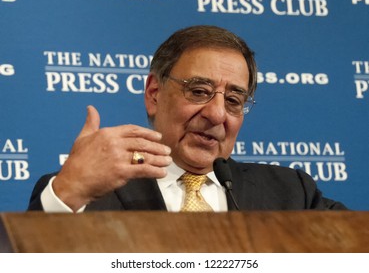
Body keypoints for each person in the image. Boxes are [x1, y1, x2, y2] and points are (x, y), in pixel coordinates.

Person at [28, 25, 346, 212]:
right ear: (154, 93)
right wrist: (68, 193)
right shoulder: (87, 192)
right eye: (198, 91)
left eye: (233, 100)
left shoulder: (291, 193)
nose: (217, 114)